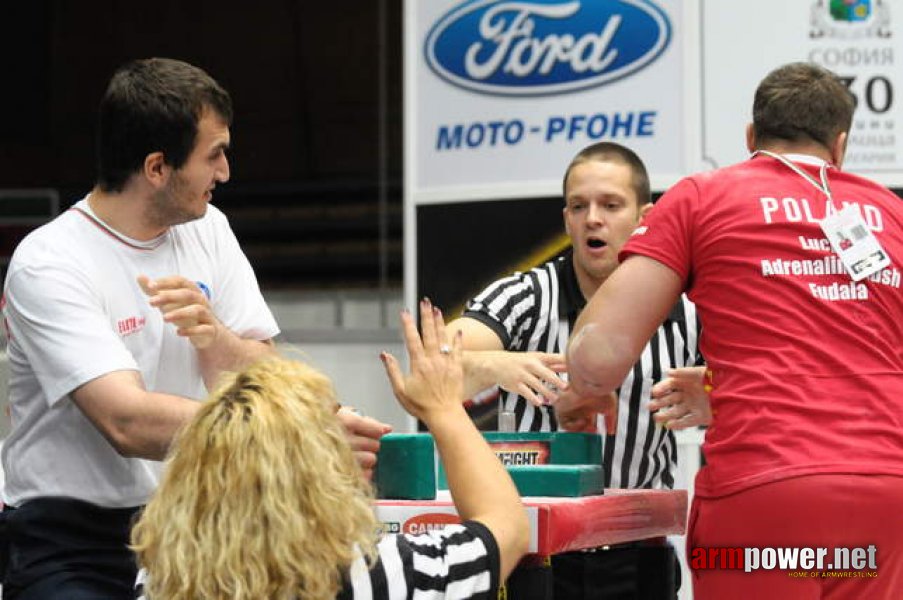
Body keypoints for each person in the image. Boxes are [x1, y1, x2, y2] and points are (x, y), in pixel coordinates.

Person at [0, 57, 389, 599]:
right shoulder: (50, 261)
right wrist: (299, 434)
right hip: (70, 539)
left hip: (193, 517)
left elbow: (262, 373)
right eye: (215, 155)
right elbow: (127, 422)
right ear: (157, 167)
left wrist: (218, 340)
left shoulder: (209, 228)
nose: (225, 173)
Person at [566, 62, 903, 598]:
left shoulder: (702, 198)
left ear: (752, 137)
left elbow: (597, 358)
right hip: (886, 501)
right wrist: (727, 386)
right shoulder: (891, 211)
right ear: (840, 146)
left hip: (767, 493)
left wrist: (581, 389)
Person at [132, 299, 529, 599]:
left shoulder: (158, 575)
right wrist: (443, 410)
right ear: (313, 475)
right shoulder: (371, 576)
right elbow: (506, 530)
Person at [448, 141, 706, 599]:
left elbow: (762, 391)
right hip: (534, 549)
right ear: (566, 219)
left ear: (647, 217)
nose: (593, 219)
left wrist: (713, 395)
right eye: (578, 206)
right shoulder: (527, 295)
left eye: (610, 205)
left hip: (639, 550)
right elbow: (436, 366)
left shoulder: (688, 310)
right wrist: (499, 364)